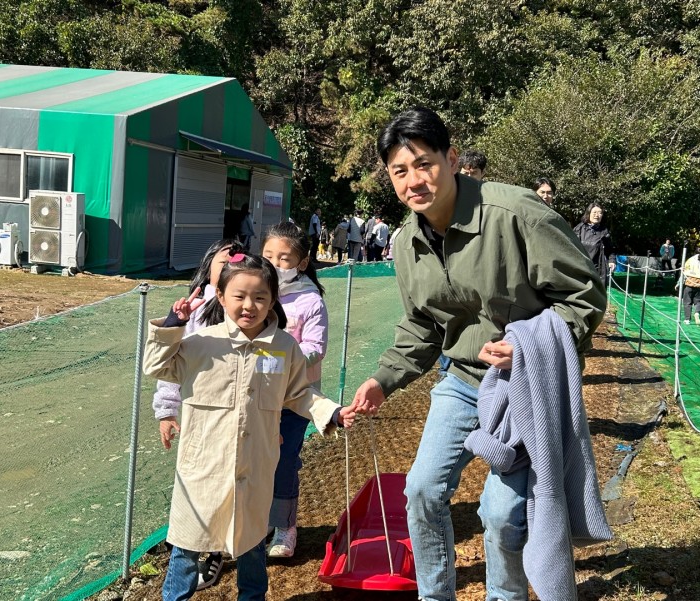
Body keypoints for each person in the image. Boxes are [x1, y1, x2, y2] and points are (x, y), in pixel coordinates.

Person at [352, 107, 606, 601]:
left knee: (502, 513)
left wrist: (526, 346)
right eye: (399, 171)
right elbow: (423, 325)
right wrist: (383, 379)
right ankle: (434, 594)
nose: (413, 181)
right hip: (463, 380)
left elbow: (585, 295)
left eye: (423, 164)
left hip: (525, 386)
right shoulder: (406, 244)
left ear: (451, 160)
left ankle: (506, 596)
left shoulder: (517, 213)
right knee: (421, 490)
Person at [144, 251, 357, 601]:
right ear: (220, 296)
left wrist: (332, 413)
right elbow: (156, 365)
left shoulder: (284, 347)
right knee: (187, 546)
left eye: (260, 297)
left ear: (273, 299)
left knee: (252, 544)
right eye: (239, 296)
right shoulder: (201, 343)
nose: (249, 305)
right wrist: (172, 324)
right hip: (203, 468)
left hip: (254, 465)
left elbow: (300, 393)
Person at [151, 238, 237, 590]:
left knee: (227, 488)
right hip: (198, 419)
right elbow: (171, 366)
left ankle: (215, 551)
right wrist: (166, 410)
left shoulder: (250, 310)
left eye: (239, 262)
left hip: (235, 421)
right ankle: (186, 559)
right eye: (224, 262)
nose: (232, 267)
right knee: (194, 490)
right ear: (208, 270)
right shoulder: (194, 311)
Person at [261, 221, 329, 557]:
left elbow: (316, 346)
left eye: (283, 258)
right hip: (257, 397)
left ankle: (285, 528)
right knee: (256, 461)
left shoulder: (310, 300)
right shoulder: (255, 290)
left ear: (301, 263)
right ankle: (260, 521)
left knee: (284, 461)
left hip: (293, 398)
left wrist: (282, 356)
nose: (274, 264)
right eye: (268, 255)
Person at [573, 202, 616, 286]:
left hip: (597, 270)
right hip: (580, 268)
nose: (597, 215)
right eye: (594, 212)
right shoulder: (579, 229)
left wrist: (612, 261)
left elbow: (610, 249)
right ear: (589, 213)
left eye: (600, 213)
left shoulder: (604, 231)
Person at [679, 246, 700, 325]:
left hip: (690, 283)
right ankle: (697, 313)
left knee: (687, 302)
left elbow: (684, 272)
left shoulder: (690, 260)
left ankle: (687, 319)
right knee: (699, 301)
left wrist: (679, 283)